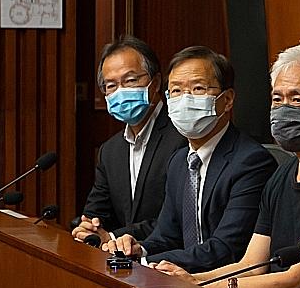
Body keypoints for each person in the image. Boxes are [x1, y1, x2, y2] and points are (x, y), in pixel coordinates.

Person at [155, 45, 300, 288]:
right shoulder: (282, 174)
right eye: (277, 99)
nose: (283, 110)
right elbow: (251, 266)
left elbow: (295, 280)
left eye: (297, 100)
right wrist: (189, 279)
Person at [104, 46, 276, 273]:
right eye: (176, 91)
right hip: (182, 283)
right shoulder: (179, 161)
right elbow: (166, 236)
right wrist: (138, 250)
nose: (185, 99)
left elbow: (226, 248)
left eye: (198, 88)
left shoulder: (251, 162)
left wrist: (144, 264)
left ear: (227, 99)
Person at [71, 37, 186, 248]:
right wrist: (89, 226)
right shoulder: (110, 150)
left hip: (167, 259)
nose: (120, 91)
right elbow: (98, 210)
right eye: (111, 85)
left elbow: (178, 218)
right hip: (122, 261)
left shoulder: (183, 137)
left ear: (157, 82)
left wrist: (113, 236)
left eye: (131, 81)